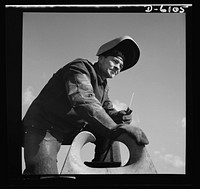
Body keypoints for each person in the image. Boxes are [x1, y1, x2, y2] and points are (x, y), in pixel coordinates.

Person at [22, 36, 149, 174]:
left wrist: (120, 118)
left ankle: (105, 171)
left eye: (121, 66)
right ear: (101, 58)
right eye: (115, 61)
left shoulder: (103, 86)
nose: (118, 67)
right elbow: (83, 101)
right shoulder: (79, 67)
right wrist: (113, 127)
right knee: (44, 175)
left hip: (70, 130)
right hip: (44, 128)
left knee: (114, 130)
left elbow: (107, 111)